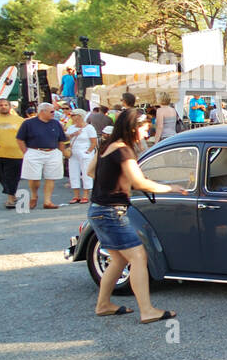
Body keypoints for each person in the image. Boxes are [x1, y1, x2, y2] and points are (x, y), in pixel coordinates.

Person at [87, 108, 185, 322]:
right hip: (112, 212)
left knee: (118, 260)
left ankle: (103, 304)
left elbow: (91, 172)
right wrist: (171, 188)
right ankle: (147, 310)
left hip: (98, 210)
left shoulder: (106, 146)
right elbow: (139, 182)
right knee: (139, 256)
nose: (146, 133)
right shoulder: (123, 151)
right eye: (144, 128)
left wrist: (115, 181)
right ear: (133, 128)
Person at [15, 101, 68, 209]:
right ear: (42, 112)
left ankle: (47, 201)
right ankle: (34, 195)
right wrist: (26, 152)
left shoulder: (56, 123)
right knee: (34, 178)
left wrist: (61, 153)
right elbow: (20, 139)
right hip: (34, 151)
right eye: (52, 111)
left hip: (52, 152)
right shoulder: (28, 123)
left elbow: (61, 140)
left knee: (51, 177)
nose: (54, 113)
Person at [0, 98, 24, 208]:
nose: (3, 107)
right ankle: (12, 194)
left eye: (6, 105)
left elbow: (26, 135)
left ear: (10, 107)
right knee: (1, 177)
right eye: (1, 105)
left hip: (15, 153)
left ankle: (10, 199)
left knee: (12, 176)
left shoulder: (19, 120)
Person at [65, 108, 98, 203]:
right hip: (74, 153)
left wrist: (88, 152)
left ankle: (86, 194)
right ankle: (76, 195)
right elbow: (65, 138)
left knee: (85, 173)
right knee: (73, 173)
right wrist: (73, 134)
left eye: (73, 115)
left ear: (80, 116)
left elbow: (93, 142)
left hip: (85, 152)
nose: (72, 117)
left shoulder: (89, 128)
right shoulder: (71, 128)